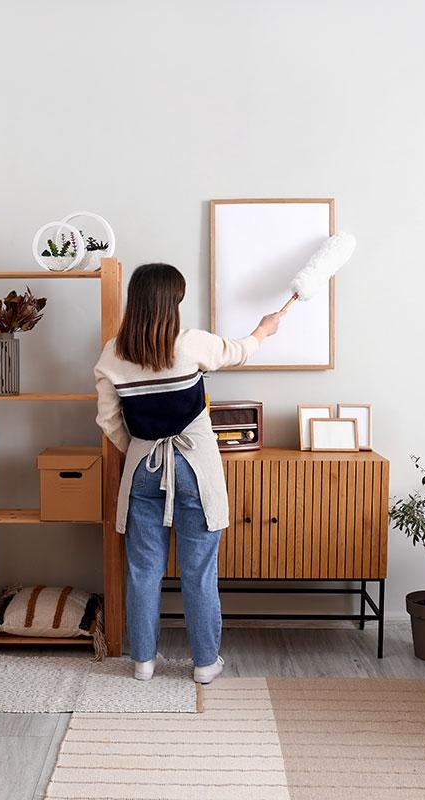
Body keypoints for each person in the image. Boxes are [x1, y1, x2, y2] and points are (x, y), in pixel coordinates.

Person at [94, 262, 283, 683]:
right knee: (199, 569)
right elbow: (240, 350)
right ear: (172, 302)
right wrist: (264, 329)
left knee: (143, 569)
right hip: (195, 467)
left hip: (143, 467)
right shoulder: (191, 344)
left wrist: (140, 447)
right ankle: (203, 664)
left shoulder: (112, 353)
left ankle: (142, 661)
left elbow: (108, 420)